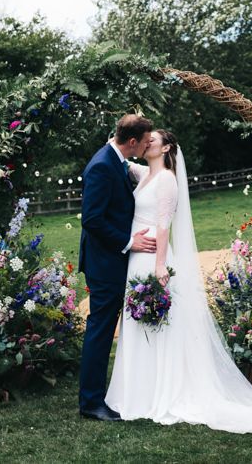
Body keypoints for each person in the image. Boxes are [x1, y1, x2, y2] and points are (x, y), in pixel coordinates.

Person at [105, 130, 252, 436]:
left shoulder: (167, 179)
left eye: (152, 139)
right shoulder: (145, 174)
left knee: (158, 327)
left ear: (166, 147)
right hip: (137, 258)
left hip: (154, 257)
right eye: (144, 138)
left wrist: (158, 267)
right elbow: (124, 157)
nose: (146, 141)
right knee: (142, 326)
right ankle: (141, 390)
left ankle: (160, 392)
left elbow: (164, 225)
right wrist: (118, 137)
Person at [78, 114, 157, 421]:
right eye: (145, 140)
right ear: (132, 141)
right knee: (100, 330)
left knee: (103, 328)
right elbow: (92, 219)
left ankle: (99, 395)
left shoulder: (118, 160)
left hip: (112, 260)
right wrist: (128, 242)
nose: (148, 144)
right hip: (104, 262)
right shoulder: (101, 166)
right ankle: (91, 403)